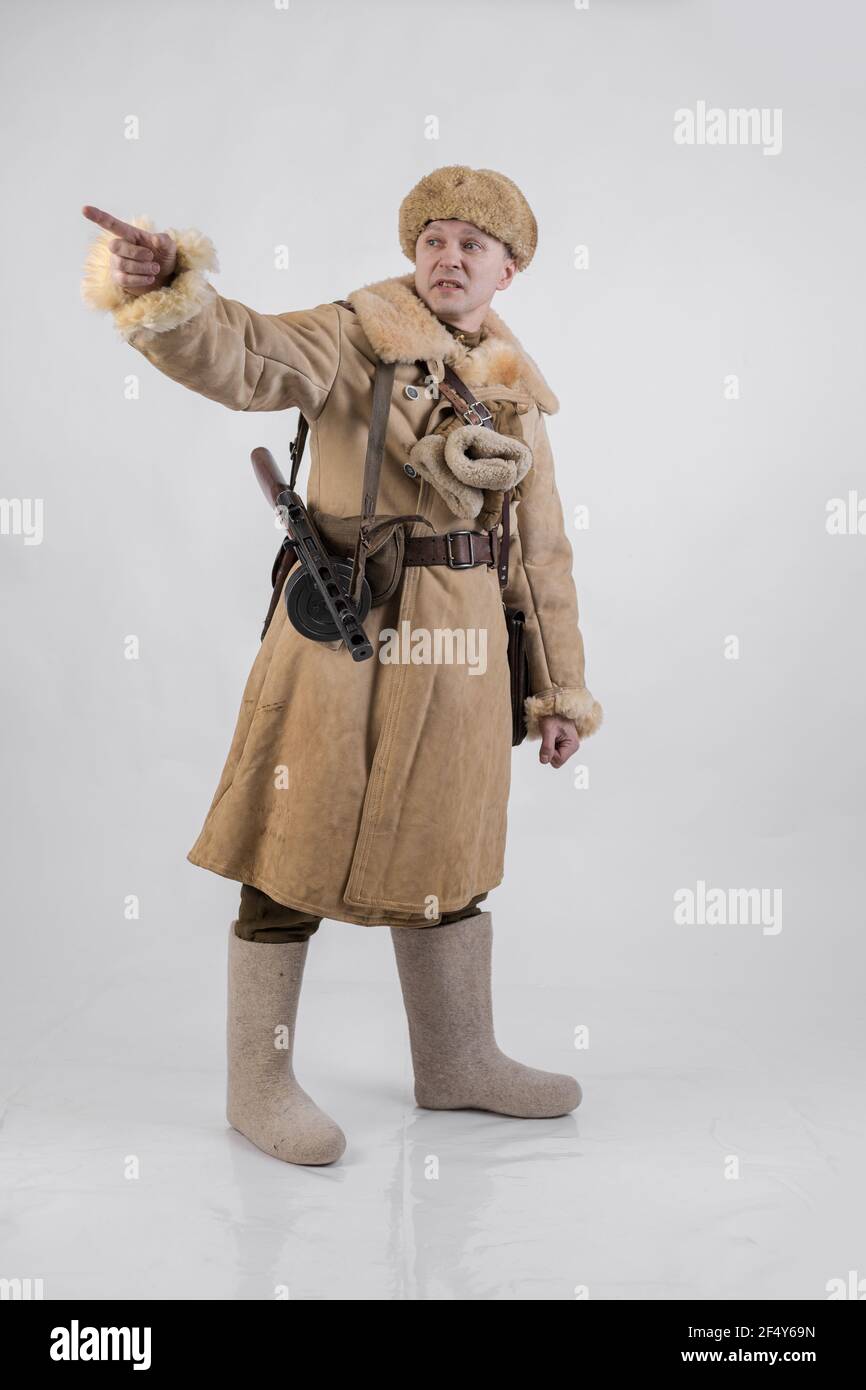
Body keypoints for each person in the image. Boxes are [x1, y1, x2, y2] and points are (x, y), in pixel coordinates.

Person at [80, 165, 603, 1167]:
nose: (448, 259)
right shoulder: (353, 329)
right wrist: (166, 287)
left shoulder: (512, 389)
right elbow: (243, 355)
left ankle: (457, 1062)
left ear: (508, 269)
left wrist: (555, 688)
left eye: (472, 246)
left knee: (447, 856)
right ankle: (258, 1083)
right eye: (434, 239)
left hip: (463, 658)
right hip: (343, 637)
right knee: (290, 847)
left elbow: (539, 558)